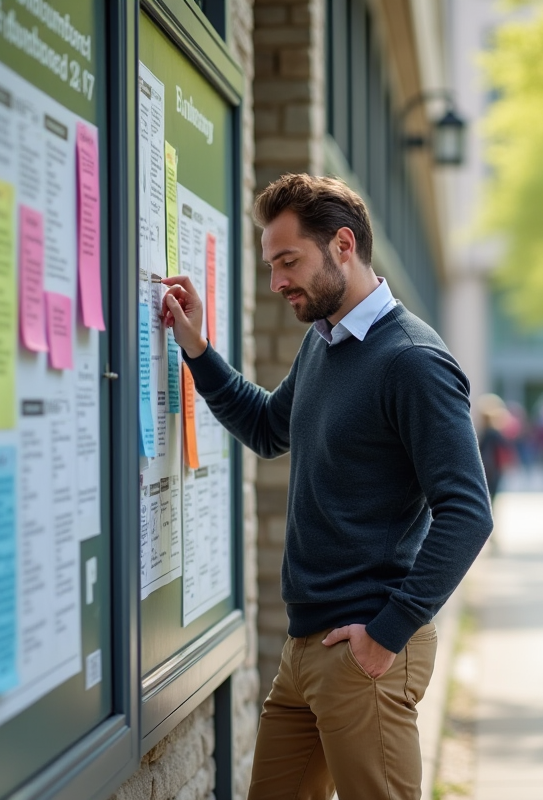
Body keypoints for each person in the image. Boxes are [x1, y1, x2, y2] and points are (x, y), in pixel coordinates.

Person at [160, 174, 492, 799]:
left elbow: (468, 512)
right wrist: (197, 347)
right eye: (271, 263)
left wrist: (388, 632)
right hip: (305, 649)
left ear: (343, 245)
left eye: (289, 261)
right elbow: (267, 428)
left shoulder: (412, 360)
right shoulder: (325, 342)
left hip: (366, 650)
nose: (276, 281)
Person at [477, 394, 512, 501]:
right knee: (492, 495)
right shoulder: (496, 433)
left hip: (486, 467)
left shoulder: (485, 433)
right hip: (495, 468)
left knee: (486, 494)